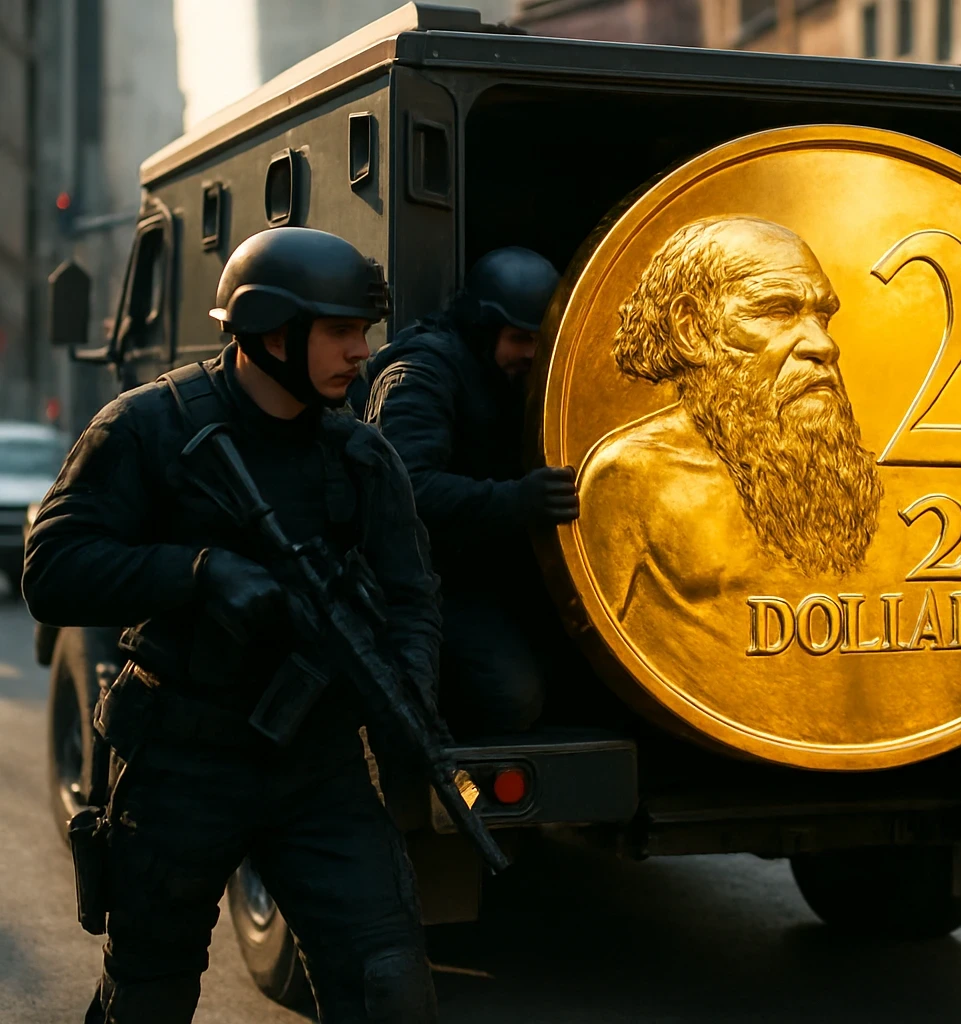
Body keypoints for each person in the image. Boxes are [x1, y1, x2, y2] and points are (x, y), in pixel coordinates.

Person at [23, 227, 441, 1023]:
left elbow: (412, 595)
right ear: (271, 333)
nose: (362, 352)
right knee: (146, 996)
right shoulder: (148, 428)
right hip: (183, 757)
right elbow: (52, 570)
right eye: (342, 331)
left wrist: (407, 692)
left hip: (318, 767)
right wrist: (197, 574)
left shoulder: (361, 456)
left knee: (388, 985)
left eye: (365, 330)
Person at [579, 216, 884, 615]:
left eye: (822, 317)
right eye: (777, 311)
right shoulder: (626, 479)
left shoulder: (843, 475)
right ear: (693, 330)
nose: (824, 344)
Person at [366, 246, 577, 736]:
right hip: (432, 577)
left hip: (502, 566)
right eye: (519, 339)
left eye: (541, 341)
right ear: (484, 332)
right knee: (511, 694)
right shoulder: (423, 370)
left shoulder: (524, 377)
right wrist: (517, 501)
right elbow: (402, 489)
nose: (531, 354)